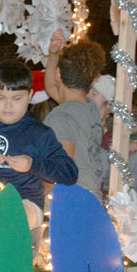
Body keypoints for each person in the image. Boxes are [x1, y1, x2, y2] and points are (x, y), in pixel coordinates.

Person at [0, 60, 78, 240]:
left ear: (30, 96)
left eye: (16, 99)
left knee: (5, 217)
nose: (8, 106)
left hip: (24, 203)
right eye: (0, 98)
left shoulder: (39, 133)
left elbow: (69, 173)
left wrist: (32, 165)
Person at [45, 42, 108, 200]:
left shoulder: (60, 118)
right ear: (93, 80)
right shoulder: (88, 106)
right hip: (91, 195)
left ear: (59, 74)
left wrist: (33, 195)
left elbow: (61, 170)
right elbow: (52, 88)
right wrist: (53, 57)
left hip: (73, 200)